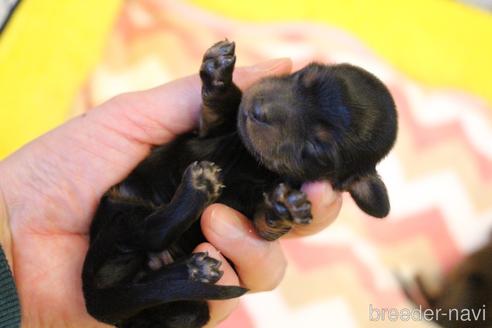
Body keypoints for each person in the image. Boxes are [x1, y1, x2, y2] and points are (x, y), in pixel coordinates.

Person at [0, 58, 343, 327]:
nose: (272, 109)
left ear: (346, 179)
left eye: (316, 144)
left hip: (139, 283)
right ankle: (178, 252)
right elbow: (216, 123)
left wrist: (272, 222)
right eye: (300, 81)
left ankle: (176, 270)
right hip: (131, 222)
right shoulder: (237, 126)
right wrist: (219, 88)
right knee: (141, 230)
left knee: (191, 314)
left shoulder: (288, 181)